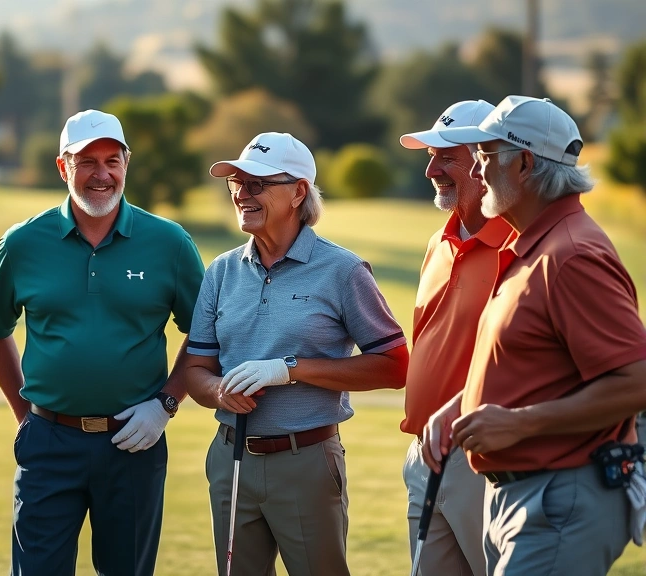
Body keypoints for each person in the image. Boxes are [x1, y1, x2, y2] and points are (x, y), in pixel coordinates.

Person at [0, 109, 205, 576]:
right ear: (63, 167)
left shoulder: (169, 242)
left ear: (126, 164)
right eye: (87, 162)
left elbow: (205, 334)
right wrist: (27, 415)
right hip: (49, 440)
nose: (102, 174)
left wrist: (165, 403)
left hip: (134, 442)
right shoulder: (22, 242)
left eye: (112, 160)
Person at [422, 96, 646, 575]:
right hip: (527, 495)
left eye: (485, 156)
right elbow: (536, 364)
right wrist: (460, 405)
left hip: (560, 495)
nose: (477, 172)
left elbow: (636, 382)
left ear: (523, 163)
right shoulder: (537, 246)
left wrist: (519, 423)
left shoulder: (571, 255)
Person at [185, 132, 410, 576]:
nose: (242, 195)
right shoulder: (221, 271)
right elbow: (195, 370)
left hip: (304, 460)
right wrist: (218, 391)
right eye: (236, 184)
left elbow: (394, 366)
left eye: (257, 184)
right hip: (231, 460)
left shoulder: (342, 270)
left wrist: (289, 370)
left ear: (298, 192)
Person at [398, 99, 509, 576]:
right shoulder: (437, 241)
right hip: (424, 454)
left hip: (483, 460)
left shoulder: (520, 245)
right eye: (431, 155)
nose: (430, 170)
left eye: (446, 156)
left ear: (485, 161)